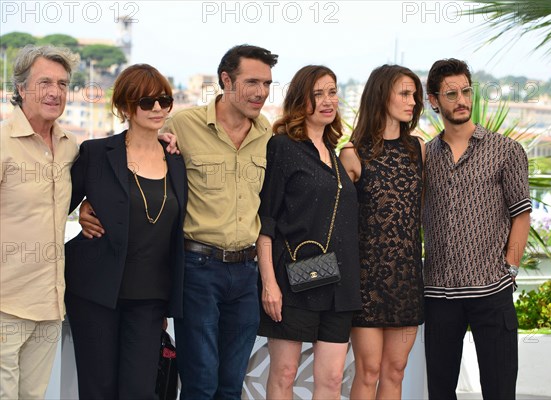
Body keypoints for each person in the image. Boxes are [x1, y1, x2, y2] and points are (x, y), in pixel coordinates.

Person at [79, 44, 278, 399]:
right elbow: (129, 151)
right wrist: (87, 205)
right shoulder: (182, 126)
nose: (261, 92)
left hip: (245, 274)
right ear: (226, 81)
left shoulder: (268, 136)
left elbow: (270, 211)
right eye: (252, 82)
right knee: (200, 382)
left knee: (231, 384)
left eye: (267, 83)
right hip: (197, 269)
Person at [65, 63, 187, 399]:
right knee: (98, 390)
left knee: (139, 391)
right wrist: (82, 210)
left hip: (150, 299)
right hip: (94, 293)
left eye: (164, 100)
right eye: (147, 102)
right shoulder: (96, 153)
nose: (158, 108)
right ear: (126, 107)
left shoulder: (176, 159)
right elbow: (55, 205)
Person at [423, 58, 531, 400]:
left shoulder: (506, 151)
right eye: (451, 93)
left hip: (492, 291)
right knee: (440, 391)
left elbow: (521, 214)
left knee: (500, 390)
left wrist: (510, 270)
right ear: (434, 100)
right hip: (438, 294)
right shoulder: (424, 157)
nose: (461, 100)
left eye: (466, 91)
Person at [257, 65, 361, 400]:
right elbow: (266, 222)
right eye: (318, 94)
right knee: (284, 375)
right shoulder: (282, 147)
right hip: (293, 282)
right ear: (301, 100)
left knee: (331, 380)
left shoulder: (335, 152)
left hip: (339, 285)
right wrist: (270, 285)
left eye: (332, 91)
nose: (328, 101)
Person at [339, 64, 425, 399]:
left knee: (396, 371)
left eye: (415, 95)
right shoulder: (351, 154)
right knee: (368, 371)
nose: (413, 101)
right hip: (366, 283)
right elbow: (337, 225)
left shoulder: (420, 150)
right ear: (380, 95)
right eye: (405, 93)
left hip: (406, 280)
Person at [0, 45, 79, 400]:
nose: (55, 92)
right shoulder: (3, 144)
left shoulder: (70, 147)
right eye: (44, 82)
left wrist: (165, 139)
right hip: (5, 303)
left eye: (62, 84)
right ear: (20, 89)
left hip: (49, 306)